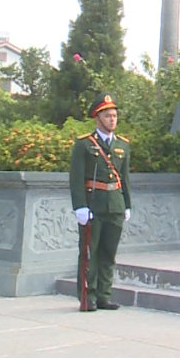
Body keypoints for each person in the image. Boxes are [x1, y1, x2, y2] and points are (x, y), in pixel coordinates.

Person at [70, 93, 132, 311]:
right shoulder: (84, 145)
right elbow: (76, 179)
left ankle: (104, 295)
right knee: (89, 253)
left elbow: (124, 178)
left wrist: (127, 204)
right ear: (98, 118)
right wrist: (80, 206)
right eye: (107, 116)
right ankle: (88, 296)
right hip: (93, 205)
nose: (112, 120)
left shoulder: (123, 146)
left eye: (114, 116)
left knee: (108, 252)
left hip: (114, 204)